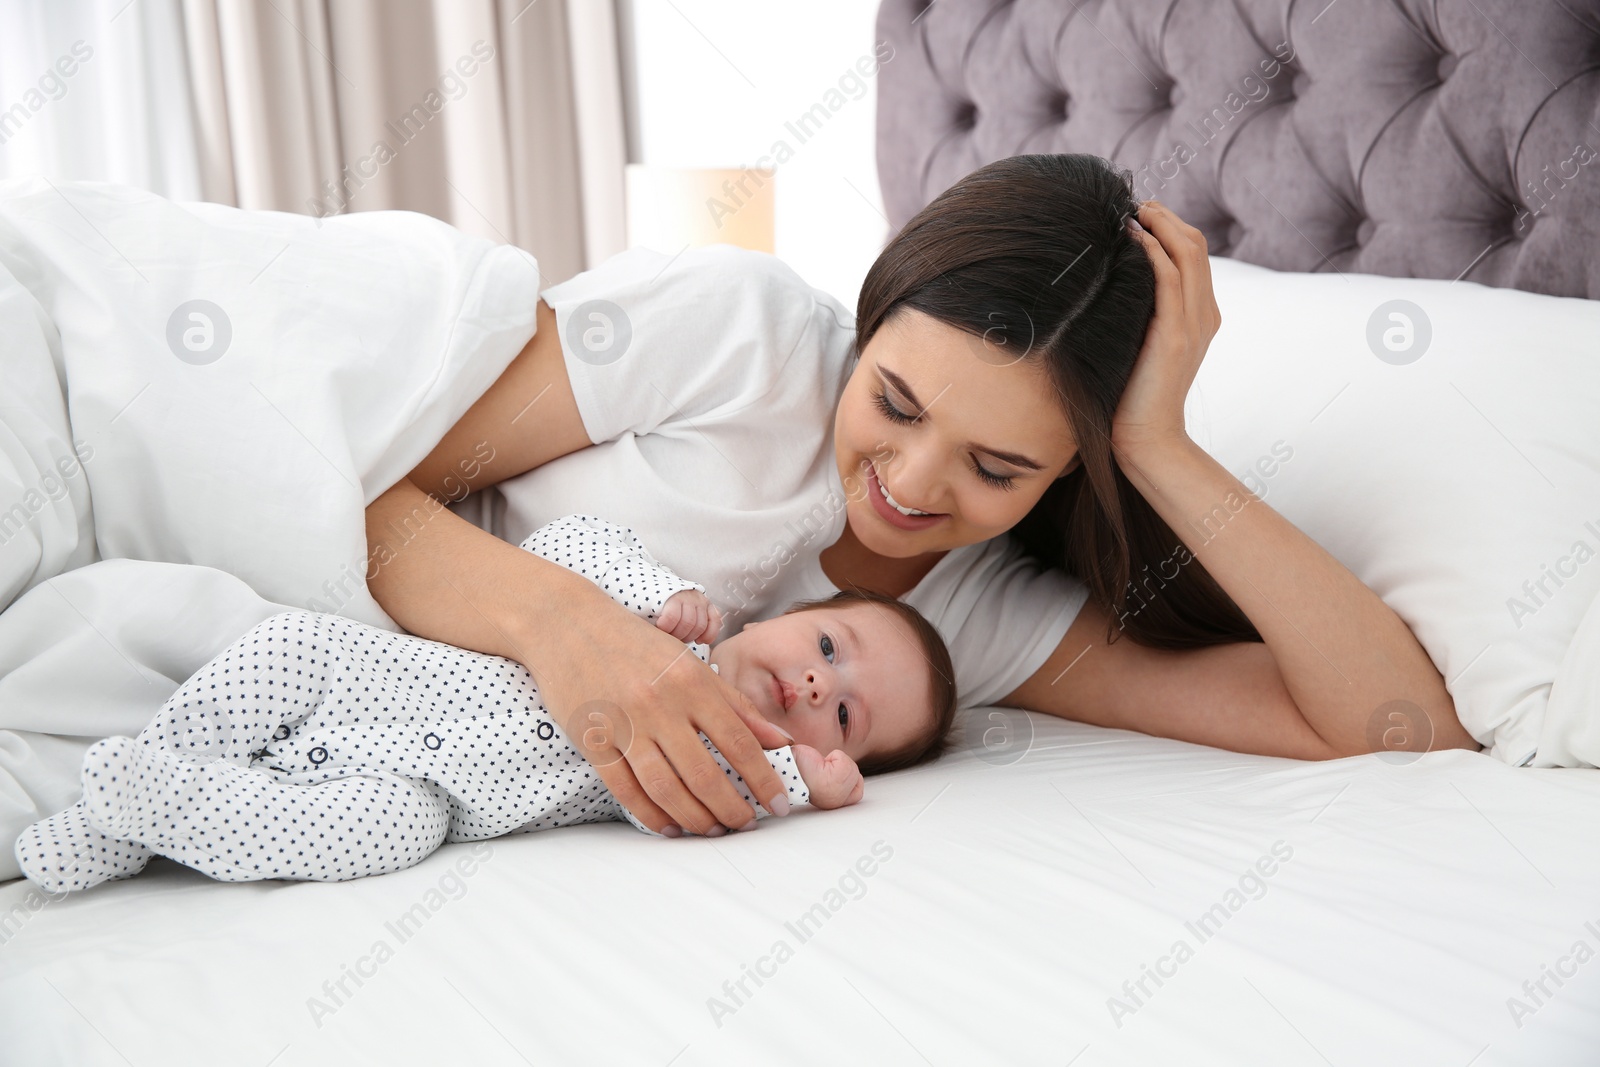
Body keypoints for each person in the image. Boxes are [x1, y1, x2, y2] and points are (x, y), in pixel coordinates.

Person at [359, 152, 1479, 841]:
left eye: (999, 468)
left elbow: (1399, 725)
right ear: (874, 309)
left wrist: (1156, 444)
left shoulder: (979, 620)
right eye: (892, 401)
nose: (908, 483)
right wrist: (569, 632)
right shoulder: (732, 330)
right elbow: (360, 480)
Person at [14, 514, 958, 893]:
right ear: (793, 613)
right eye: (829, 648)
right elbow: (565, 539)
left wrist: (813, 781)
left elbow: (734, 790)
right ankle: (118, 821)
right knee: (287, 646)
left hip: (431, 785)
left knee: (392, 829)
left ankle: (171, 812)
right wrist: (643, 592)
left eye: (844, 717)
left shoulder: (729, 758)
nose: (815, 685)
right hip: (376, 681)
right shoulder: (671, 615)